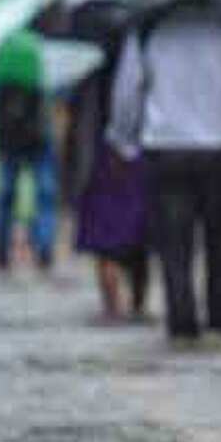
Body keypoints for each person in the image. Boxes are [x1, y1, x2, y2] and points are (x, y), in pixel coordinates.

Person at [108, 1, 221, 340]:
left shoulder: (147, 30)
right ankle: (219, 323)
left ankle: (182, 327)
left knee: (174, 245)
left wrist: (124, 143)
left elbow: (126, 95)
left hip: (166, 149)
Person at [67, 61, 150, 324]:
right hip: (136, 156)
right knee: (137, 239)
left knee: (106, 243)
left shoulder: (88, 68)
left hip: (103, 161)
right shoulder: (142, 54)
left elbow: (77, 122)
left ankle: (113, 309)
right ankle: (135, 307)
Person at [0, 31, 58, 272]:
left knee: (7, 197)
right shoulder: (39, 72)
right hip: (38, 144)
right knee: (45, 196)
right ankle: (44, 248)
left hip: (11, 145)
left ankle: (2, 250)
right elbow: (46, 116)